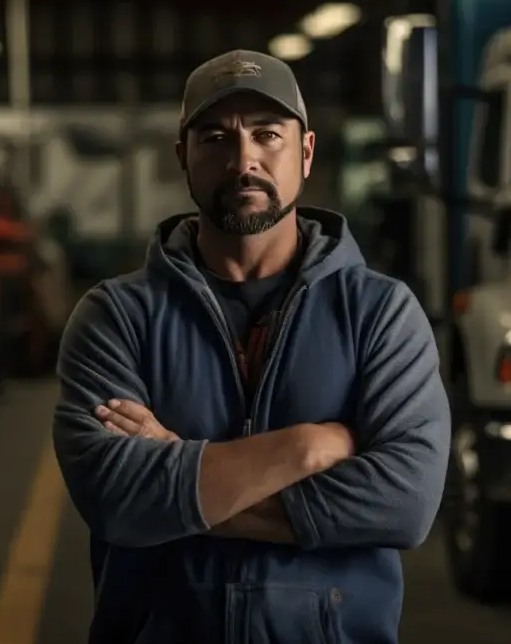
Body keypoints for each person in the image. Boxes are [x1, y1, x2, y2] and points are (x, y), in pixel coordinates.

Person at [53, 49, 450, 644]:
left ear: (307, 153)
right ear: (183, 156)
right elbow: (117, 497)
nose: (244, 159)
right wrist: (305, 447)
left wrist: (182, 478)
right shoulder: (116, 318)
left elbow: (404, 502)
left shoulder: (378, 312)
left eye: (268, 135)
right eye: (215, 137)